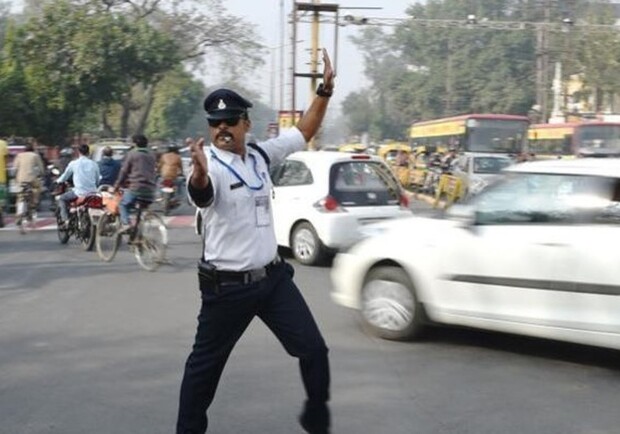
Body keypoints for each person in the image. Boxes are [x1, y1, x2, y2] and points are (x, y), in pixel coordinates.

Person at [176, 48, 335, 434]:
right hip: (226, 289)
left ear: (246, 123)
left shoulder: (261, 156)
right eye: (215, 123)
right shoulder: (207, 165)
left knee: (314, 350)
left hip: (273, 281)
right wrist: (197, 173)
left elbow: (304, 132)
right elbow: (202, 193)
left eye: (230, 120)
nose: (222, 128)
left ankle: (317, 419)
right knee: (204, 373)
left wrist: (324, 92)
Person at [112, 134, 157, 232]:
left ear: (135, 143)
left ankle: (126, 224)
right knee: (139, 210)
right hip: (150, 191)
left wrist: (116, 185)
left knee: (123, 204)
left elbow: (124, 172)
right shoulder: (151, 155)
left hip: (136, 189)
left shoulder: (132, 154)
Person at [56, 144, 100, 226]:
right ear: (88, 152)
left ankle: (66, 220)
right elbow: (97, 179)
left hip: (79, 193)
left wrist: (58, 181)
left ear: (78, 152)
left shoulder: (73, 163)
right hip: (93, 193)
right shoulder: (94, 164)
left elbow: (65, 176)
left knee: (62, 199)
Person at [13, 142, 45, 224]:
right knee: (38, 188)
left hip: (20, 179)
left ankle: (19, 214)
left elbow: (15, 168)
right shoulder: (35, 156)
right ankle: (34, 203)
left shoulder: (19, 156)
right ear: (32, 149)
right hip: (32, 179)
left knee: (20, 196)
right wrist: (42, 174)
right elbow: (41, 168)